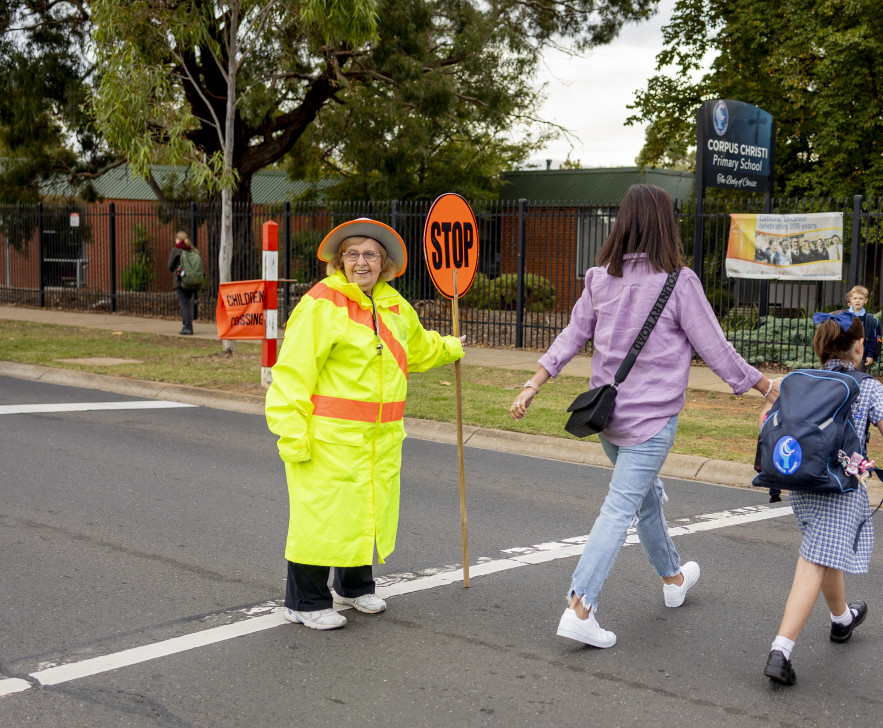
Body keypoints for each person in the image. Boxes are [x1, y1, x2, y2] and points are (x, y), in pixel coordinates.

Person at [509, 184, 779, 649]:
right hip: (651, 426)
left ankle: (674, 580)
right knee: (620, 508)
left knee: (645, 498)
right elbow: (716, 348)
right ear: (664, 224)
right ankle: (580, 605)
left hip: (607, 422)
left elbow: (571, 337)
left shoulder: (598, 278)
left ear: (623, 223)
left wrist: (534, 383)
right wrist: (768, 388)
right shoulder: (679, 281)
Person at [265, 218, 464, 630]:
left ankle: (355, 587)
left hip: (379, 440)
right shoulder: (322, 304)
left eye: (369, 254)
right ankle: (304, 601)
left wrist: (452, 347)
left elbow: (419, 349)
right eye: (352, 254)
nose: (361, 262)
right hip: (329, 440)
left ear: (384, 263)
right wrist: (291, 431)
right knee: (319, 517)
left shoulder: (393, 306)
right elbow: (293, 372)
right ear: (340, 261)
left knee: (365, 512)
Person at [762, 311, 883, 685]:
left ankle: (842, 619)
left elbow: (766, 419)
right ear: (860, 345)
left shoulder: (796, 381)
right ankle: (780, 651)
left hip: (798, 480)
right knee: (814, 560)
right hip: (839, 489)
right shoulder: (867, 386)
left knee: (826, 550)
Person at [166, 231, 199, 335]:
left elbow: (170, 266)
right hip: (193, 281)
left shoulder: (176, 250)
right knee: (188, 303)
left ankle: (188, 327)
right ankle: (185, 325)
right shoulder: (193, 250)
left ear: (178, 239)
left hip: (180, 281)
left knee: (184, 304)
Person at [846, 284, 881, 370]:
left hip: (862, 356)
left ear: (865, 300)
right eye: (855, 298)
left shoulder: (870, 320)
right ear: (851, 299)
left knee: (859, 379)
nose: (857, 301)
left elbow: (872, 339)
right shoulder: (844, 316)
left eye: (861, 298)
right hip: (845, 355)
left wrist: (870, 355)